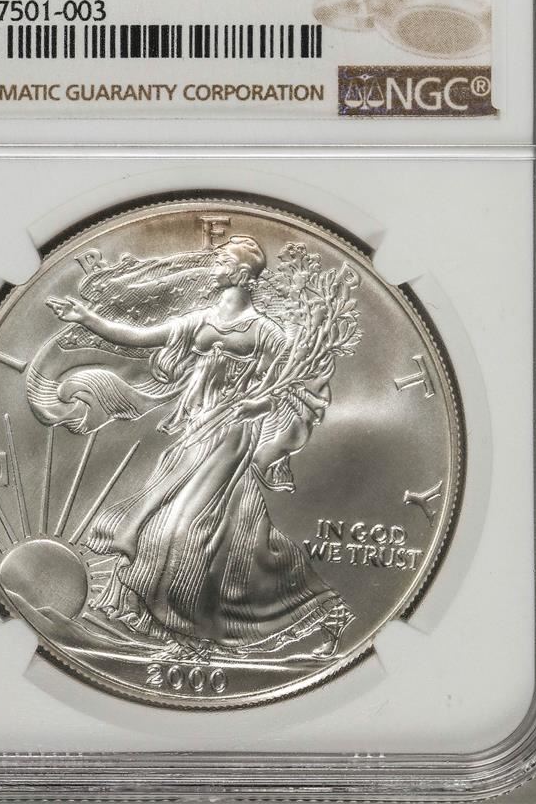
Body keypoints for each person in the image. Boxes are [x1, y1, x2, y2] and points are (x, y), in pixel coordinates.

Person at [46, 236, 354, 659]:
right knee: (228, 536)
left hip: (232, 435)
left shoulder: (265, 332)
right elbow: (140, 337)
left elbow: (293, 388)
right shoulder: (200, 320)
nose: (216, 266)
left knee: (185, 527)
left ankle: (193, 635)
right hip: (195, 431)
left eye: (223, 261)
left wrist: (258, 404)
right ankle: (203, 634)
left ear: (242, 275)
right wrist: (87, 318)